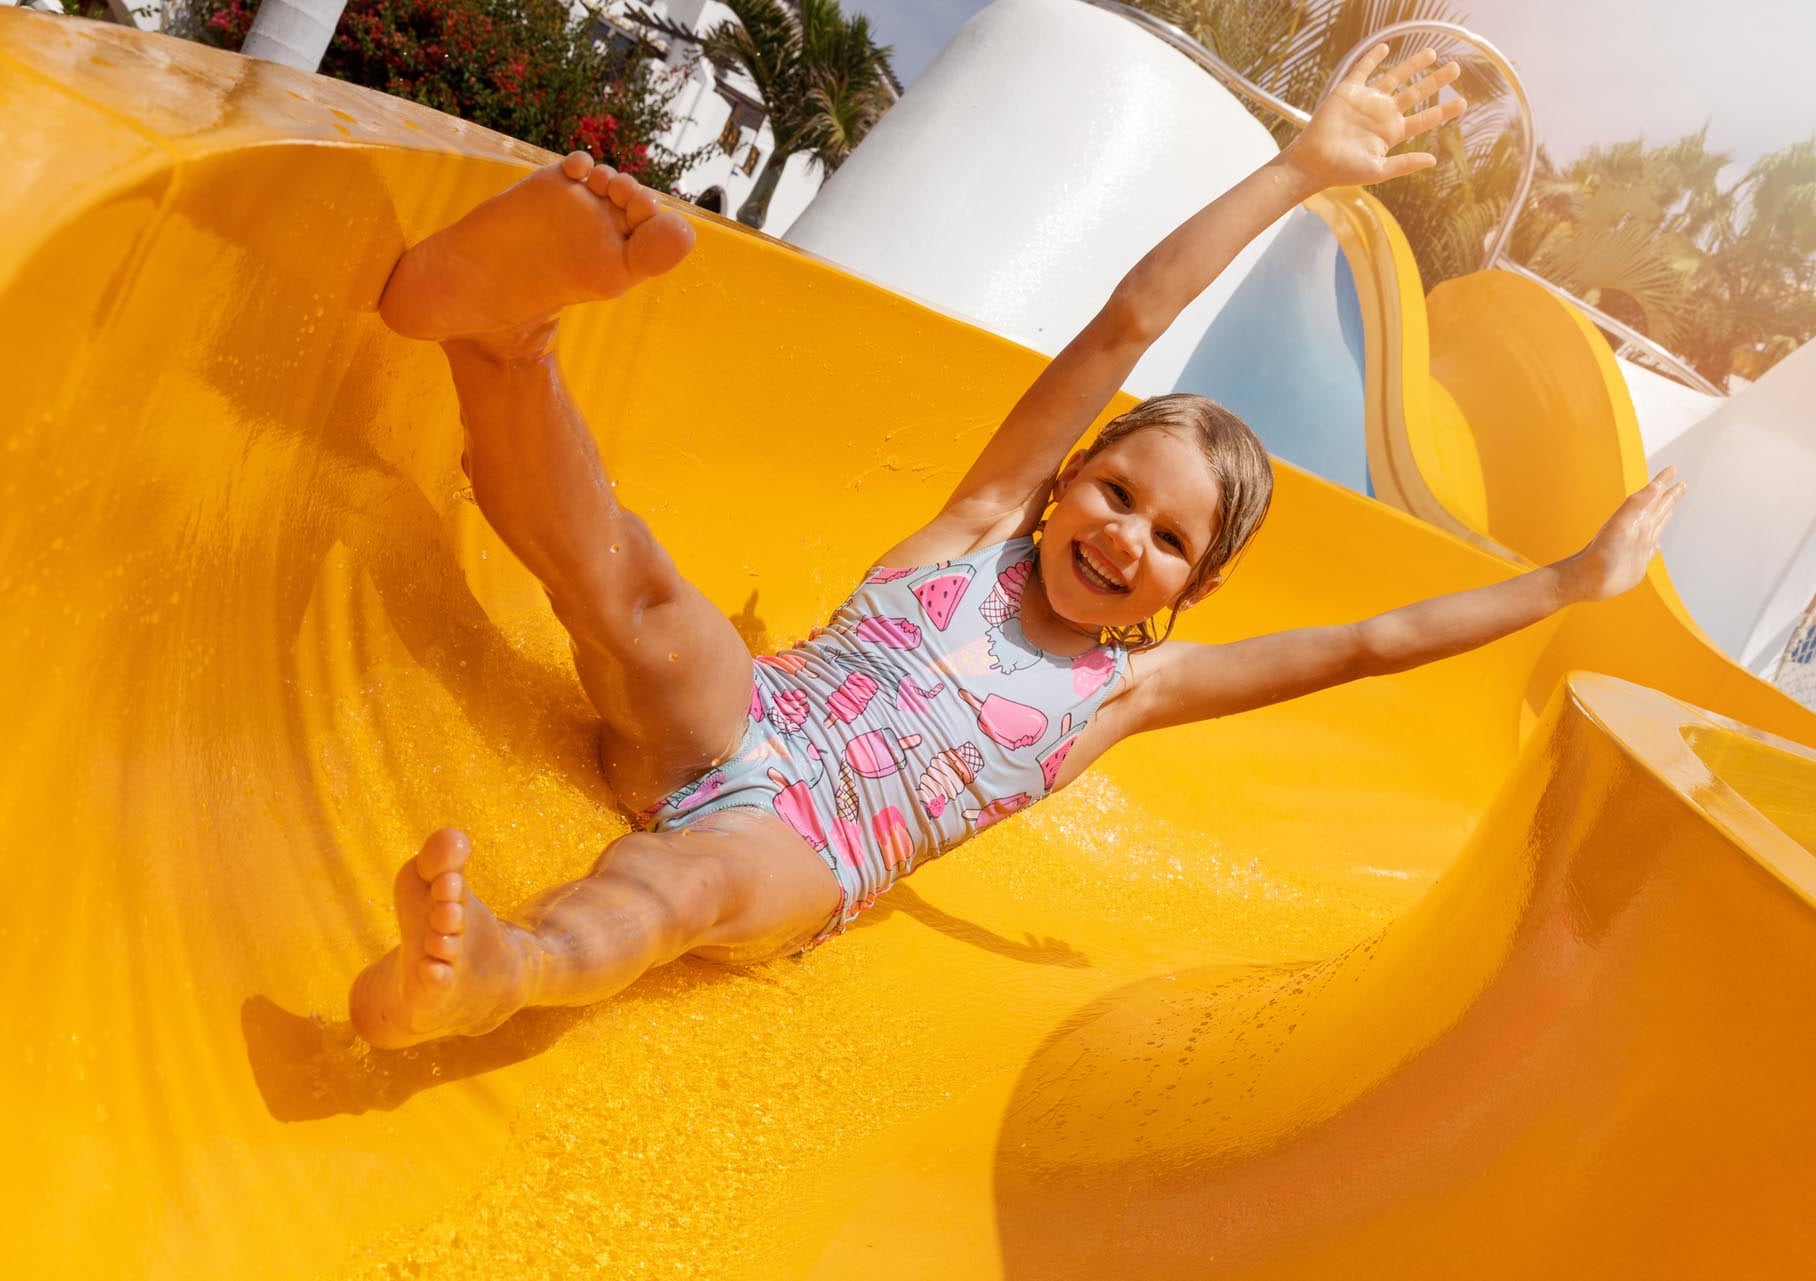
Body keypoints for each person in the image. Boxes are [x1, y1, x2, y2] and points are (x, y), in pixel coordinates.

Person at [349, 46, 1684, 1049]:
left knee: (681, 886)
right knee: (641, 595)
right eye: (1116, 493)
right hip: (738, 720)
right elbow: (1122, 322)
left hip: (803, 852)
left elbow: (1371, 641)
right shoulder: (980, 524)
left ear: (1192, 590)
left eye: (1168, 540)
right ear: (1063, 483)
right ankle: (500, 338)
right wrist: (1301, 169)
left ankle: (499, 969)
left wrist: (1572, 581)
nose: (1126, 535)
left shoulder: (1130, 693)